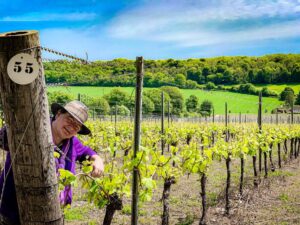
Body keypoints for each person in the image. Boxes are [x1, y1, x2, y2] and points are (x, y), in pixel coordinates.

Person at [0, 100, 104, 224]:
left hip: (52, 214)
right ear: (58, 114)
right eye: (70, 119)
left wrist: (97, 160)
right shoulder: (32, 130)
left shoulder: (72, 143)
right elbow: (4, 137)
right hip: (14, 208)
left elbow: (87, 152)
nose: (71, 127)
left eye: (77, 126)